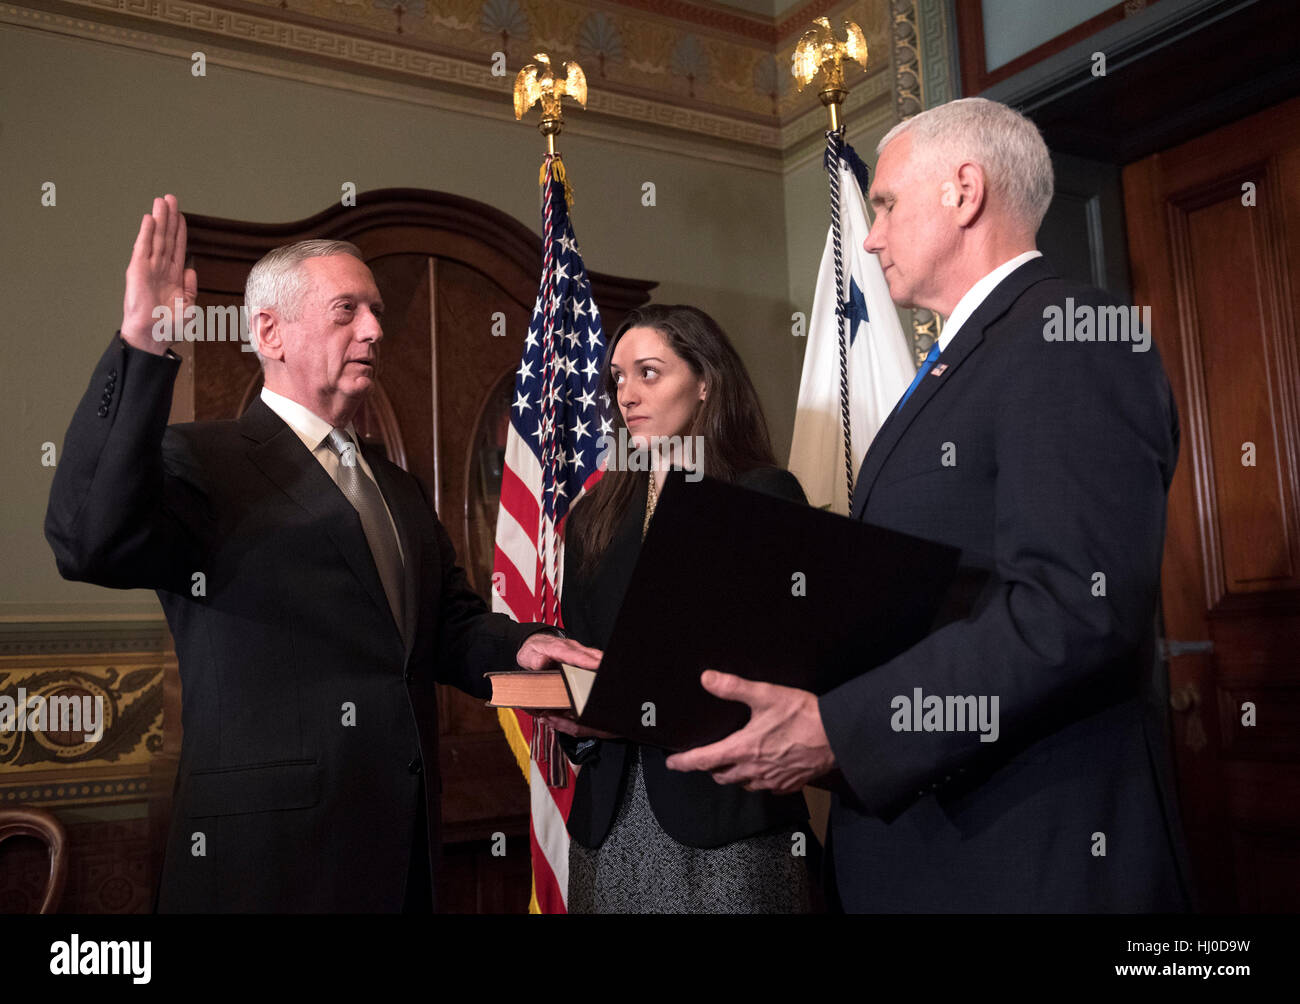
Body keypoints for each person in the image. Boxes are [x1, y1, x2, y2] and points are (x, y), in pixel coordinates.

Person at [666, 98, 1195, 912]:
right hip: (929, 847)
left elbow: (1071, 610)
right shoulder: (960, 363)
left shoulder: (1073, 336)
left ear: (964, 191)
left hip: (1029, 853)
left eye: (883, 205)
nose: (868, 237)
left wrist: (844, 730)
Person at [44, 195, 598, 912]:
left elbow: (448, 625)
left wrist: (518, 647)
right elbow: (87, 540)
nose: (373, 329)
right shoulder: (202, 461)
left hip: (403, 851)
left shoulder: (395, 483)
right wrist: (143, 344)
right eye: (347, 311)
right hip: (268, 865)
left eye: (375, 312)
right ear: (270, 331)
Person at [541, 304, 817, 913]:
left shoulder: (764, 494)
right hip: (610, 822)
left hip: (729, 817)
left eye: (648, 372)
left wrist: (633, 708)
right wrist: (577, 725)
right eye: (617, 377)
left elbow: (774, 673)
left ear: (705, 381)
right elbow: (582, 657)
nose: (626, 394)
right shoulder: (591, 517)